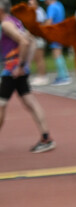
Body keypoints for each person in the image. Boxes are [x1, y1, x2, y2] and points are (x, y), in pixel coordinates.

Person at [0, 1, 54, 152]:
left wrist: (20, 65)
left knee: (1, 104)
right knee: (30, 101)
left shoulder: (6, 24)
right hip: (18, 69)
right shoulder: (15, 21)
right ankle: (46, 138)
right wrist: (26, 65)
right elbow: (30, 39)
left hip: (12, 70)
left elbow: (24, 41)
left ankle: (46, 138)